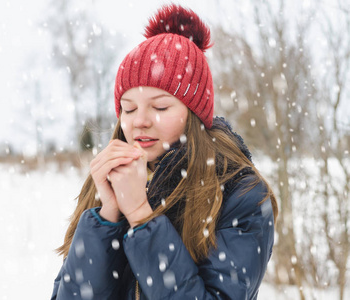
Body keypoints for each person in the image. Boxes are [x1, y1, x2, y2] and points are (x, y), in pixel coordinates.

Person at [51, 4, 278, 299]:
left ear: (194, 115)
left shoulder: (240, 194)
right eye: (128, 108)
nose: (140, 121)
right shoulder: (113, 181)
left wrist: (141, 217)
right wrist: (107, 218)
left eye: (160, 107)